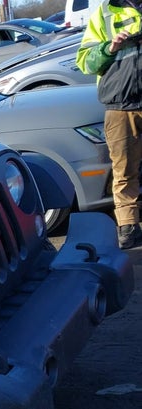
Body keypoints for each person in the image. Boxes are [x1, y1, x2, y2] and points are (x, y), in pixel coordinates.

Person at [77, 0, 142, 249]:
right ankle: (128, 228)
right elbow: (85, 62)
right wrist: (110, 47)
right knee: (124, 172)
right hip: (120, 106)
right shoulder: (104, 13)